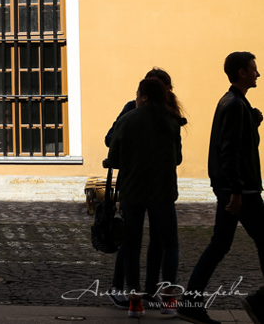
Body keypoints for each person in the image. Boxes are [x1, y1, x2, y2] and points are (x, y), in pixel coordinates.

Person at [178, 52, 264, 324]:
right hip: (243, 192)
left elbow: (240, 147)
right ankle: (260, 302)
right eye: (253, 69)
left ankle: (190, 301)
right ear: (242, 73)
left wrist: (253, 124)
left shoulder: (234, 104)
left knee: (219, 244)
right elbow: (230, 153)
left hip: (233, 189)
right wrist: (236, 192)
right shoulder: (235, 105)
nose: (257, 74)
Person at [104, 68, 184, 311]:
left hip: (132, 191)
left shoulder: (129, 117)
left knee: (131, 245)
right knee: (169, 244)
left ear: (144, 95)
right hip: (162, 192)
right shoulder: (172, 118)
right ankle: (168, 296)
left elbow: (113, 155)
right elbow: (177, 157)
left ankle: (134, 301)